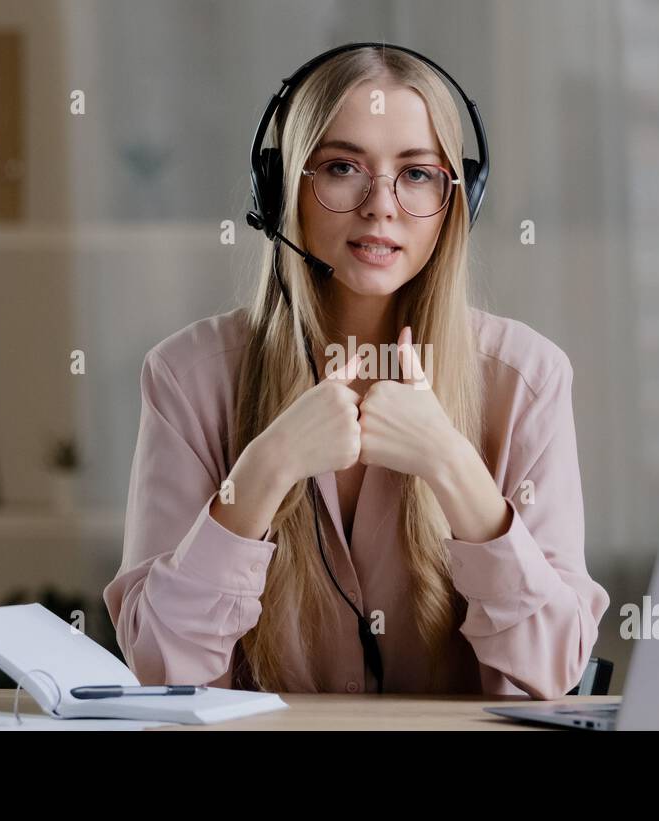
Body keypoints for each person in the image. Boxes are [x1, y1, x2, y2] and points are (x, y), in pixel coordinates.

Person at [103, 45, 609, 699]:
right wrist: (264, 468)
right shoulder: (187, 378)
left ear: (459, 201)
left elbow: (550, 673)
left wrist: (453, 467)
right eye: (343, 167)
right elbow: (159, 671)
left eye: (418, 173)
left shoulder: (528, 378)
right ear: (281, 185)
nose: (381, 204)